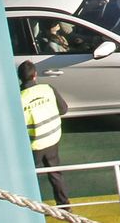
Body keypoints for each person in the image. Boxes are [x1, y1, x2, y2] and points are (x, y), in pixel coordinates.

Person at [18, 60, 70, 207]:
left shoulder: (19, 98)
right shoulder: (48, 89)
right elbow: (64, 109)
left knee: (29, 176)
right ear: (35, 75)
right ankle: (65, 206)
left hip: (34, 144)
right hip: (53, 138)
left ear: (20, 78)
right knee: (55, 174)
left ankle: (29, 206)